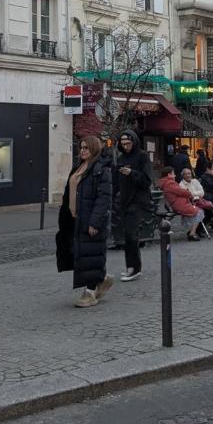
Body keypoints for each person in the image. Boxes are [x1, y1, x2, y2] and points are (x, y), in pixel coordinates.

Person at [56, 136, 113, 308]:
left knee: (90, 256)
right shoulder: (78, 168)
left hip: (90, 219)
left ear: (94, 149)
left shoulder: (100, 170)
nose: (82, 150)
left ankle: (89, 293)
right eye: (81, 147)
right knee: (78, 254)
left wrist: (95, 222)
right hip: (74, 219)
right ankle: (101, 279)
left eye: (86, 148)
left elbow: (104, 199)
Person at [114, 130, 152, 283]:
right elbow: (117, 181)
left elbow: (146, 180)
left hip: (138, 200)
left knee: (131, 234)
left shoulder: (142, 156)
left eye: (128, 144)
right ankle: (131, 266)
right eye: (123, 144)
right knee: (127, 236)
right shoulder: (121, 157)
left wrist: (131, 173)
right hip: (124, 200)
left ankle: (134, 268)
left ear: (134, 142)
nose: (126, 147)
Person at [160, 167, 204, 241]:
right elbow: (181, 191)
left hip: (179, 203)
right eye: (173, 174)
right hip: (180, 205)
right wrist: (189, 193)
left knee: (198, 210)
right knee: (199, 211)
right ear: (169, 174)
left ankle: (192, 231)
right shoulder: (170, 183)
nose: (175, 175)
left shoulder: (167, 183)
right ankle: (192, 234)